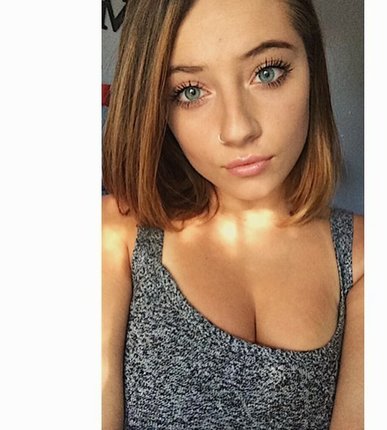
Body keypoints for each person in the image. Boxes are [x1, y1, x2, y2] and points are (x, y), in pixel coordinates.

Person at [102, 0, 364, 428]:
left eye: (268, 72)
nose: (238, 129)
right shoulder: (116, 236)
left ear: (312, 67)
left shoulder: (364, 258)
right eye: (190, 91)